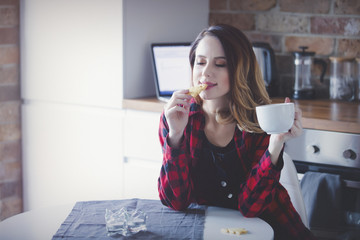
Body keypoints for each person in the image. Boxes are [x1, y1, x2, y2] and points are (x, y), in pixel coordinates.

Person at [157, 24, 315, 240]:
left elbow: (251, 208)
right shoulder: (176, 117)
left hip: (273, 229)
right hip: (209, 232)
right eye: (200, 62)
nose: (205, 73)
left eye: (220, 64)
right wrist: (175, 137)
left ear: (240, 70)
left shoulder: (261, 121)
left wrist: (275, 144)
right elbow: (176, 201)